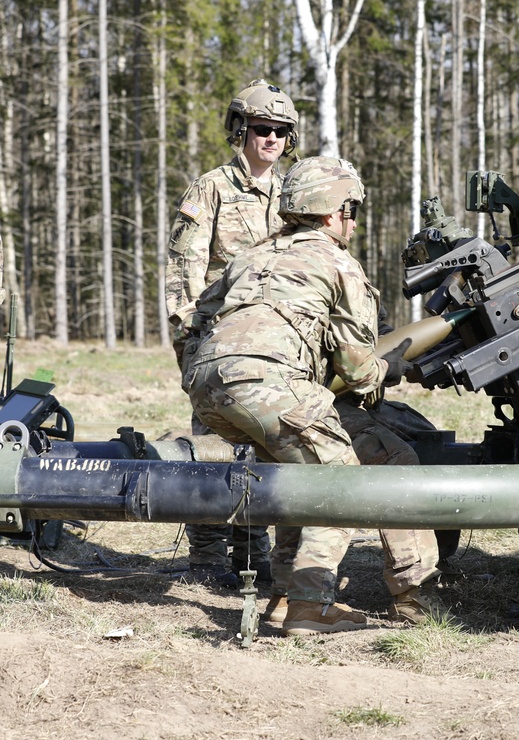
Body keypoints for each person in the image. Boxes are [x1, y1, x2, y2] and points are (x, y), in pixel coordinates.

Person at [184, 156, 444, 635]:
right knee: (340, 487)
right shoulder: (337, 261)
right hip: (270, 384)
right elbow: (358, 368)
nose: (354, 222)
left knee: (301, 479)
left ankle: (285, 597)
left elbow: (197, 318)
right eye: (353, 211)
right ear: (334, 212)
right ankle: (316, 606)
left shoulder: (253, 255)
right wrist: (393, 366)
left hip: (209, 383)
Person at [165, 79, 299, 590]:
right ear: (240, 130)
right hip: (218, 341)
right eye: (262, 129)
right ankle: (204, 557)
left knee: (268, 449)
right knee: (213, 449)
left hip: (278, 345)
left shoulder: (294, 192)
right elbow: (183, 276)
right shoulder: (211, 189)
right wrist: (189, 345)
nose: (271, 140)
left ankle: (253, 554)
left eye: (281, 132)